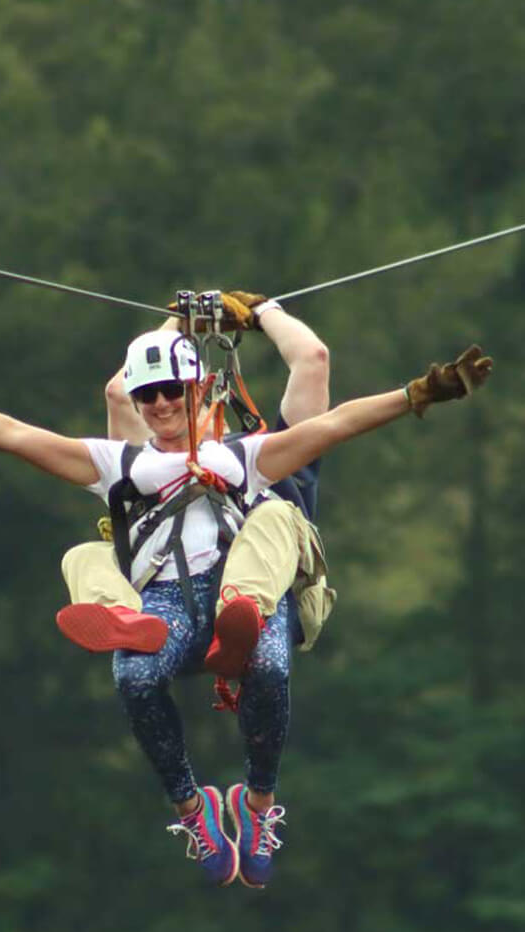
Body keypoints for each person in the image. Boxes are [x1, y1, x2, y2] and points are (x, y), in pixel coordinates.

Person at [0, 326, 492, 890]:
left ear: (197, 391)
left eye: (170, 392)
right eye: (146, 395)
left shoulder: (241, 457)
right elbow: (14, 435)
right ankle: (194, 809)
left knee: (268, 662)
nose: (157, 405)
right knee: (131, 667)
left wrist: (417, 394)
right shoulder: (118, 465)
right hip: (165, 603)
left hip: (245, 591)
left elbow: (333, 424)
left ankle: (258, 804)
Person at [57, 292, 335, 686]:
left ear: (203, 395)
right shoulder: (150, 469)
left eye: (180, 396)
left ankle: (241, 614)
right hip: (168, 610)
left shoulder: (274, 458)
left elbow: (313, 359)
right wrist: (183, 322)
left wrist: (262, 310)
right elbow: (122, 392)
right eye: (157, 400)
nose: (169, 410)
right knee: (85, 557)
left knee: (273, 520)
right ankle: (124, 617)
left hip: (263, 614)